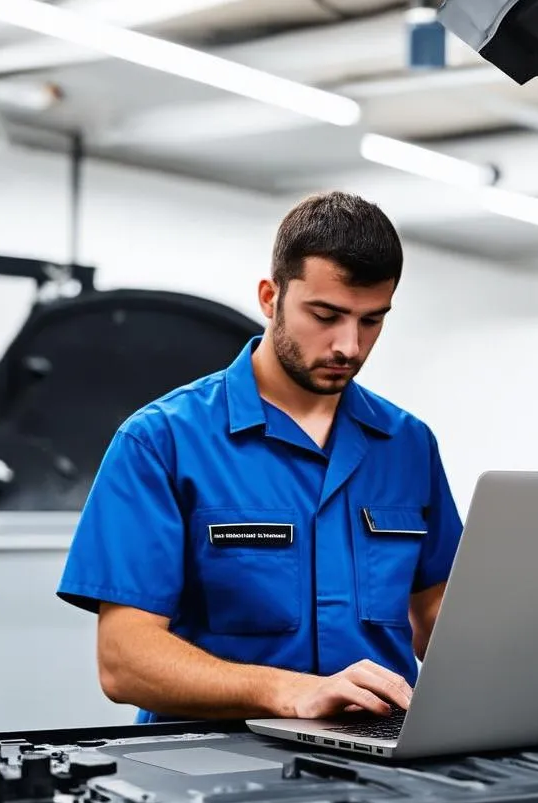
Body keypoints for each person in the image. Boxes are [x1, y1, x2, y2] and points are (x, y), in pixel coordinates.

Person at [56, 191, 463, 724]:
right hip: (215, 765)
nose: (349, 346)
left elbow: (436, 618)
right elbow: (124, 661)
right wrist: (289, 692)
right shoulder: (161, 442)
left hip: (381, 759)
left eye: (372, 321)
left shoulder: (409, 444)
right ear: (270, 297)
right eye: (326, 315)